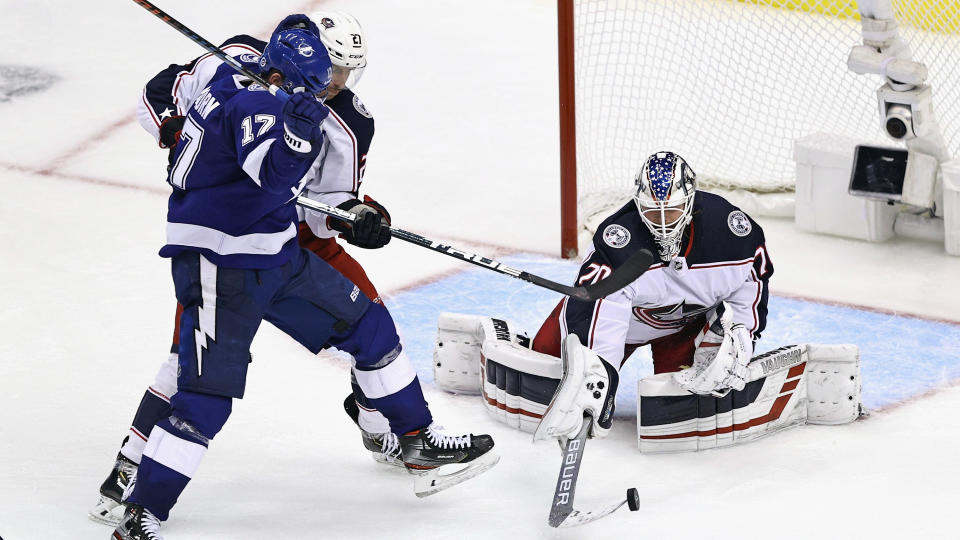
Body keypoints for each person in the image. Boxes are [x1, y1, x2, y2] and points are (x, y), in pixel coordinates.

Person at [108, 24, 496, 540]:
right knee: (199, 384)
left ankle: (416, 437)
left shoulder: (265, 88)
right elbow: (268, 168)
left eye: (337, 76)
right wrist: (289, 133)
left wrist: (355, 214)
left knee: (370, 325)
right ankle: (138, 498)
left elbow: (318, 205)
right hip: (220, 259)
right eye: (321, 76)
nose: (331, 85)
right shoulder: (252, 100)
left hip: (278, 247)